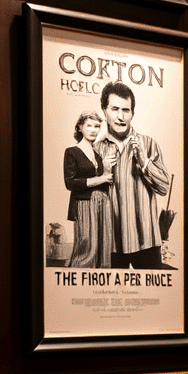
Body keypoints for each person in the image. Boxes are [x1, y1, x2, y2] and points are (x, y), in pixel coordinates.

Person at [95, 81, 171, 270]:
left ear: (133, 113)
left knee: (153, 299)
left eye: (126, 110)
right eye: (114, 109)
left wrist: (145, 162)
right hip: (110, 245)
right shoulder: (95, 150)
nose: (120, 117)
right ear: (104, 110)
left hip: (146, 242)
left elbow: (164, 188)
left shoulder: (149, 144)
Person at [63, 110, 114, 268]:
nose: (93, 130)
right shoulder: (72, 152)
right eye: (89, 125)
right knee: (86, 250)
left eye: (97, 126)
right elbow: (70, 183)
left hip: (102, 203)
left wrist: (106, 170)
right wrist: (100, 178)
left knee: (103, 249)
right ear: (80, 128)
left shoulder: (98, 155)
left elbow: (106, 182)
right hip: (84, 203)